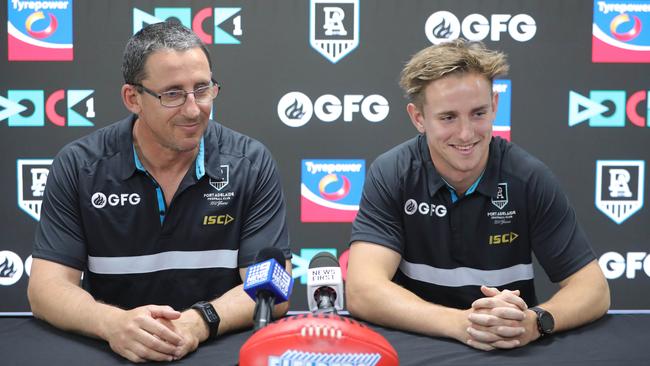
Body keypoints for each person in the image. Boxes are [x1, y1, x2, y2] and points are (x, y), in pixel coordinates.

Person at [28, 21, 291, 362]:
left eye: (202, 88)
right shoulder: (80, 166)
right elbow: (46, 290)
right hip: (115, 351)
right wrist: (112, 323)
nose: (193, 109)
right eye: (172, 94)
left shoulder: (249, 163)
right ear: (132, 98)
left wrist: (199, 322)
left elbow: (273, 290)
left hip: (216, 348)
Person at [345, 39, 610, 351]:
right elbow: (363, 290)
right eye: (448, 117)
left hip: (510, 347)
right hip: (416, 345)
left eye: (478, 113)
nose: (466, 133)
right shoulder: (393, 173)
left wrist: (537, 321)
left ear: (495, 105)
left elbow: (594, 288)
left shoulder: (528, 177)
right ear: (418, 118)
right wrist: (461, 323)